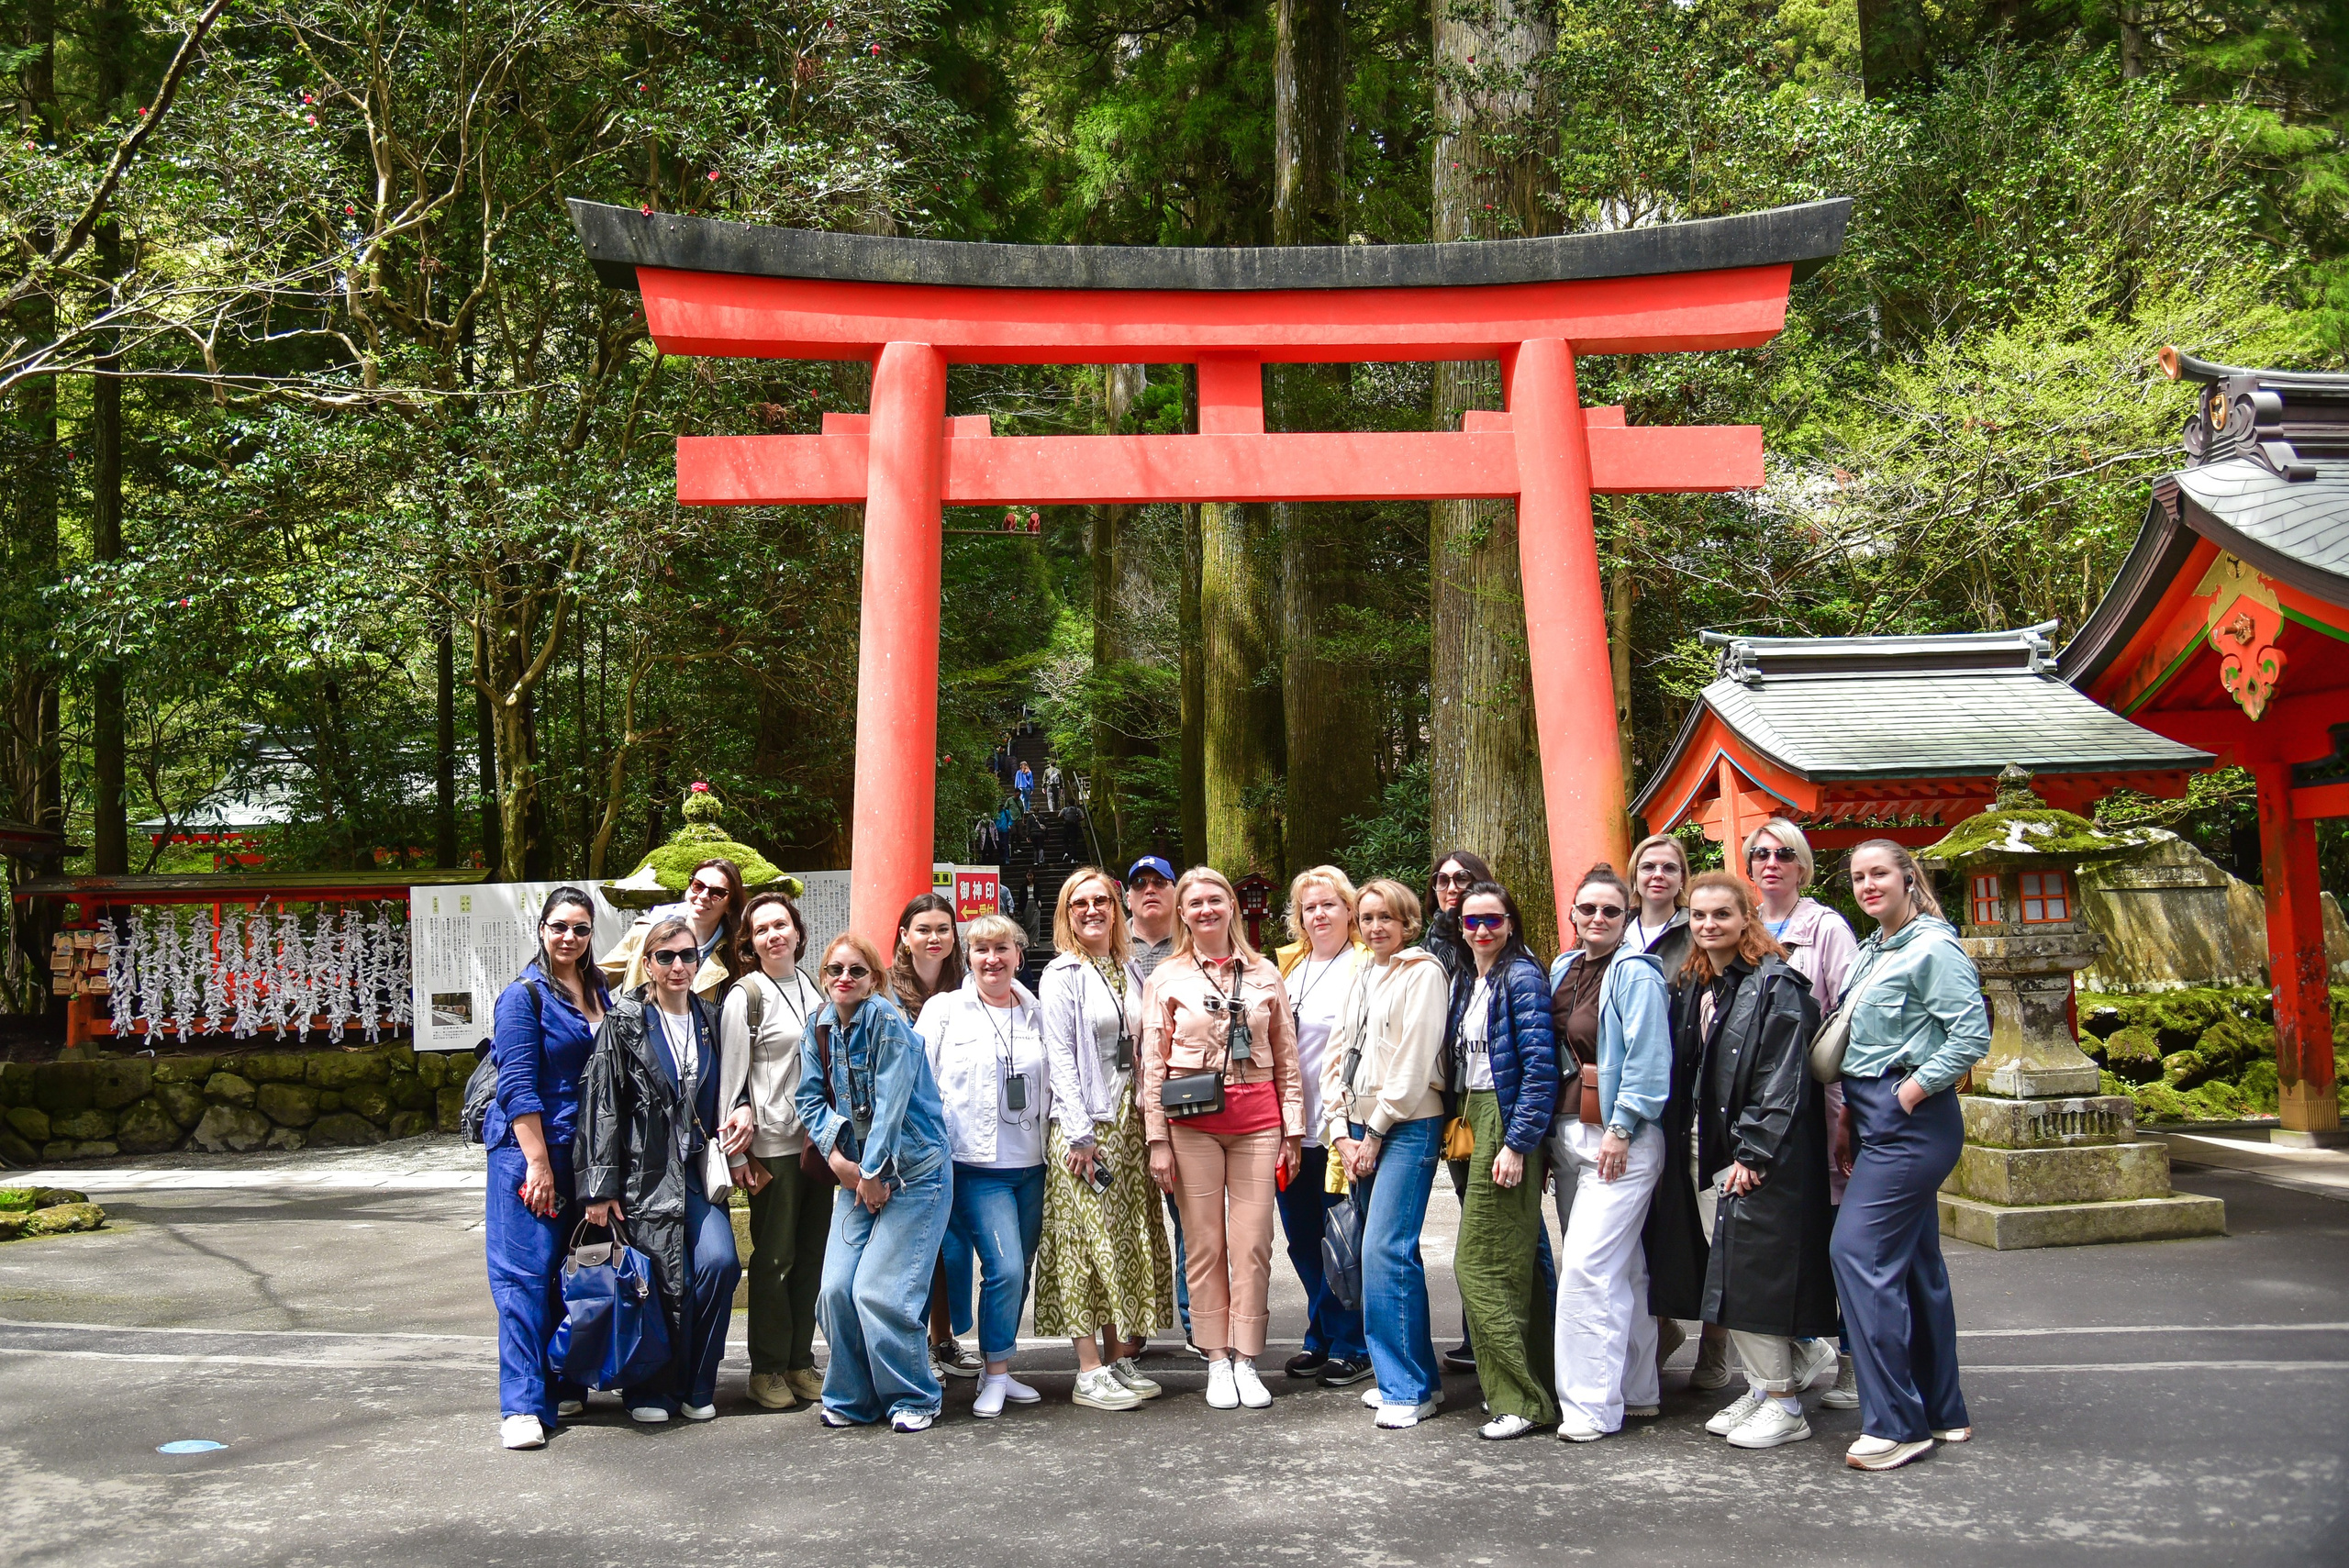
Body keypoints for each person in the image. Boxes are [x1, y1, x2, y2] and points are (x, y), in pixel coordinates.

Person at [1831, 840, 1987, 1472]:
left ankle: (1897, 1423)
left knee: (1857, 1251)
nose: (1868, 884)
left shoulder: (1933, 946)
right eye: (1858, 876)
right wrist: (1851, 1112)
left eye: (1879, 874)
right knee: (1917, 1262)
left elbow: (1972, 1032)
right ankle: (1944, 1408)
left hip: (1913, 1119)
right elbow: (1862, 1040)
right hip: (1873, 1112)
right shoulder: (1873, 949)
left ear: (1907, 878)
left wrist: (1911, 1091)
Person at [1677, 872, 1836, 1451]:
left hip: (1755, 1155)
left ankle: (1784, 1403)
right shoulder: (1705, 982)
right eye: (1698, 915)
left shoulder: (1778, 986)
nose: (1708, 924)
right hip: (1712, 1146)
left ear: (1748, 917)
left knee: (1748, 1276)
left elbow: (1782, 1078)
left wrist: (1755, 1151)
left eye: (1721, 914)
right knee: (1730, 1274)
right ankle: (1778, 1373)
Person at [1140, 866, 1303, 1410]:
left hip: (1258, 1121)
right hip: (1192, 1126)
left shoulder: (1264, 973)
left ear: (1232, 905)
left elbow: (1287, 1056)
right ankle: (1214, 1356)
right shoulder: (1166, 976)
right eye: (1195, 903)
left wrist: (1293, 1130)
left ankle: (1247, 1356)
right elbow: (1153, 1065)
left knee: (1253, 1243)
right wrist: (1156, 1139)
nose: (1206, 910)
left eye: (1216, 900)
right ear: (1182, 914)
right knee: (1205, 1244)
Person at [579, 914, 741, 1425]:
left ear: (699, 962)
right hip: (642, 1174)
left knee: (719, 1263)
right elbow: (602, 1104)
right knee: (657, 1278)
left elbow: (728, 1090)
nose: (677, 966)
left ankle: (696, 1382)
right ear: (646, 963)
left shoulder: (709, 1020)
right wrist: (599, 1188)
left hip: (694, 1171)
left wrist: (741, 1118)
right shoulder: (624, 1022)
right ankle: (649, 1388)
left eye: (687, 956)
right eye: (665, 956)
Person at [796, 930, 956, 1432]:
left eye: (856, 971)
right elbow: (807, 1099)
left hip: (914, 1174)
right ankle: (851, 1397)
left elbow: (891, 1106)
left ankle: (913, 1395)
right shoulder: (818, 1025)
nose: (844, 979)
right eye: (834, 971)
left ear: (874, 980)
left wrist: (871, 1173)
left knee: (879, 1292)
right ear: (823, 978)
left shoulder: (886, 1020)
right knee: (836, 1291)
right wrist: (842, 1162)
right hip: (856, 1174)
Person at [1034, 867, 1175, 1410]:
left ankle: (1120, 1358)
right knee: (1085, 1243)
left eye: (1101, 901)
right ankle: (1088, 1367)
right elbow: (1062, 1058)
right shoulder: (1062, 974)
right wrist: (1078, 1133)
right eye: (1079, 904)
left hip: (1132, 1122)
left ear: (1118, 910)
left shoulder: (1129, 968)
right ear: (1065, 914)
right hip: (1086, 1126)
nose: (1092, 911)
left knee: (1129, 1236)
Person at [1545, 863, 1675, 1442]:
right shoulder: (1562, 969)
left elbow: (1649, 1061)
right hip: (1569, 1133)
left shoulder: (1636, 974)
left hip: (1619, 1139)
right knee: (1624, 1267)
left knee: (1585, 1271)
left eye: (1611, 911)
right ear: (1572, 913)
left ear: (1626, 919)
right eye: (1588, 908)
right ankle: (1638, 1388)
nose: (1598, 918)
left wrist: (1622, 1128)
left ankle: (1590, 1407)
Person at [484, 888, 611, 1450]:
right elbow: (515, 1084)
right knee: (523, 1279)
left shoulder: (599, 988)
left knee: (568, 1272)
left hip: (580, 1149)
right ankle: (521, 1406)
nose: (569, 938)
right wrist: (536, 1163)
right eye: (559, 926)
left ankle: (563, 1383)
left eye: (581, 929)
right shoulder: (522, 996)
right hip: (528, 1149)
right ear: (541, 930)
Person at [1745, 817, 1863, 1410]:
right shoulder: (1743, 926)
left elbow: (1849, 1014)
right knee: (1785, 1237)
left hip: (1822, 1102)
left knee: (1835, 1236)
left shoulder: (1826, 927)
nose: (1772, 861)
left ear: (1801, 864)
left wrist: (1851, 1112)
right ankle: (1799, 1348)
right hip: (1766, 1112)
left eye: (1783, 853)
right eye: (1761, 853)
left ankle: (1850, 1360)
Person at [1324, 878, 1451, 1429]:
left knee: (1385, 1251)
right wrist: (1339, 1128)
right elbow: (1336, 1052)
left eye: (1387, 919)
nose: (1376, 927)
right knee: (1389, 1255)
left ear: (1408, 923)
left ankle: (1407, 1389)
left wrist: (1373, 1132)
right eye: (1368, 917)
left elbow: (1414, 1060)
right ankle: (1412, 1374)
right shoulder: (1360, 973)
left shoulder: (1423, 973)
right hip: (1357, 1123)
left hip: (1407, 1123)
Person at [914, 915, 1051, 1419]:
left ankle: (1002, 1363)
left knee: (1019, 1272)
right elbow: (918, 1082)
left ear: (1019, 954)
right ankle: (992, 1377)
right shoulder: (945, 1010)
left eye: (1002, 948)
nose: (992, 959)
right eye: (980, 950)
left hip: (1032, 1162)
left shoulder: (1035, 1010)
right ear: (967, 958)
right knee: (1005, 1266)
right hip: (974, 1163)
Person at [1445, 880, 1561, 1440]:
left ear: (1511, 923)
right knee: (1516, 1264)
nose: (1482, 930)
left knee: (1482, 1265)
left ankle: (1518, 1399)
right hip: (1473, 1116)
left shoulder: (1521, 976)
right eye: (1471, 922)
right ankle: (1541, 1389)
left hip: (1505, 1121)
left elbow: (1540, 1071)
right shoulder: (1471, 978)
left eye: (1492, 920)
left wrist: (1517, 1144)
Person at [716, 890, 828, 1412]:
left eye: (780, 925)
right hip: (773, 1146)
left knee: (810, 1258)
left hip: (817, 1144)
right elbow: (730, 1082)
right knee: (774, 1257)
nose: (773, 935)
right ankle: (765, 1367)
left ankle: (799, 1360)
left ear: (798, 933)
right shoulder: (746, 995)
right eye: (761, 930)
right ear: (750, 942)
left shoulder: (811, 985)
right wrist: (737, 1156)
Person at [1272, 865, 1371, 1388]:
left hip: (1340, 1126)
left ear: (1348, 910)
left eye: (1329, 904)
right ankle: (1322, 1333)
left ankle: (1352, 1343)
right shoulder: (1289, 968)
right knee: (1302, 1238)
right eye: (1310, 907)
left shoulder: (1366, 964)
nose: (1319, 914)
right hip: (1290, 1127)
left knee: (1342, 1239)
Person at [1623, 831, 1712, 1387]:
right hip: (1627, 1096)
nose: (1658, 876)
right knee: (1642, 1225)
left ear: (1683, 880)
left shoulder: (1694, 933)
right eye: (1648, 866)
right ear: (1634, 876)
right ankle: (1659, 1329)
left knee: (1696, 1223)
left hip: (1685, 1092)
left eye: (1670, 868)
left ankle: (1717, 1346)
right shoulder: (1615, 928)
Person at [887, 893, 981, 1380]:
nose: (933, 937)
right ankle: (915, 1342)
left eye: (943, 929)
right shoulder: (884, 994)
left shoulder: (970, 990)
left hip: (956, 1137)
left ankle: (944, 1338)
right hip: (902, 1140)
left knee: (951, 1245)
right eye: (923, 928)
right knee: (914, 1246)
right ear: (904, 936)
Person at [1423, 847, 1494, 1372]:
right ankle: (1478, 1334)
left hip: (1485, 1098)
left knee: (1498, 1220)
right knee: (1475, 1213)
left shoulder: (1489, 940)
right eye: (1443, 880)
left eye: (1462, 879)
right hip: (1449, 1102)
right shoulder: (1430, 943)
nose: (1451, 888)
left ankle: (1508, 1331)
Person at [1122, 853, 1189, 1349]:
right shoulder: (1109, 945)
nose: (1149, 890)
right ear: (1127, 896)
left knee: (1191, 1217)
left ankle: (1196, 1321)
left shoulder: (1194, 945)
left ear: (1174, 891)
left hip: (1182, 1101)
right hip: (1120, 1103)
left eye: (1159, 882)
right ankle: (1131, 1327)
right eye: (1139, 883)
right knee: (1128, 1218)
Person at [600, 857, 745, 1001]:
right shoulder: (645, 934)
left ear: (730, 904)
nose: (703, 896)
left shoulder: (734, 953)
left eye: (717, 893)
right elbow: (594, 980)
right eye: (698, 886)